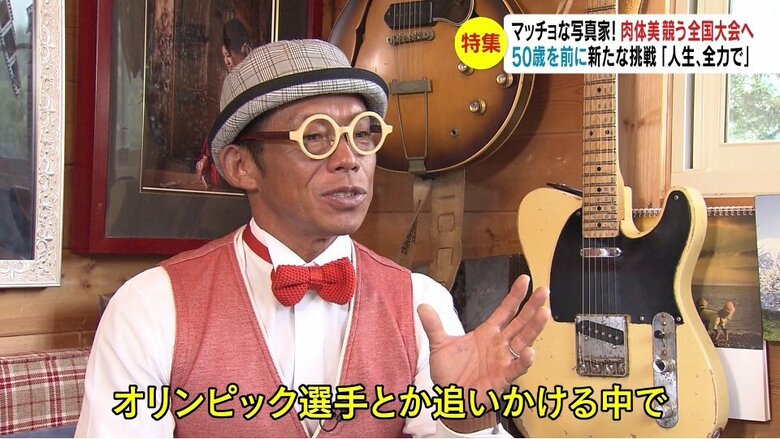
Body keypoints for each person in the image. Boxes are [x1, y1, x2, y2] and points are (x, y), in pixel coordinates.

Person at [75, 39, 550, 437]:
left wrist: (466, 420)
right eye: (316, 137)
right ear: (241, 166)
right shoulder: (151, 307)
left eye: (363, 134)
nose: (349, 159)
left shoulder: (420, 304)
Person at [196, 18, 256, 189]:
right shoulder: (231, 82)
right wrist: (206, 157)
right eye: (224, 57)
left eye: (228, 55)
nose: (227, 62)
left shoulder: (254, 77)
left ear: (243, 48)